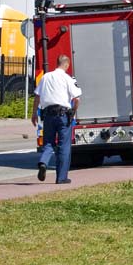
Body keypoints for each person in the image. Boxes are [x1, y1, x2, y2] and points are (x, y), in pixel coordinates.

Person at [31, 55, 82, 184]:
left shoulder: (46, 77)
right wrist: (73, 112)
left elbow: (37, 96)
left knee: (48, 142)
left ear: (56, 63)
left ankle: (43, 162)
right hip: (63, 115)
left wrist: (34, 114)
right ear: (67, 65)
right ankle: (61, 177)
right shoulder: (67, 78)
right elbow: (77, 99)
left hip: (48, 115)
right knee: (64, 146)